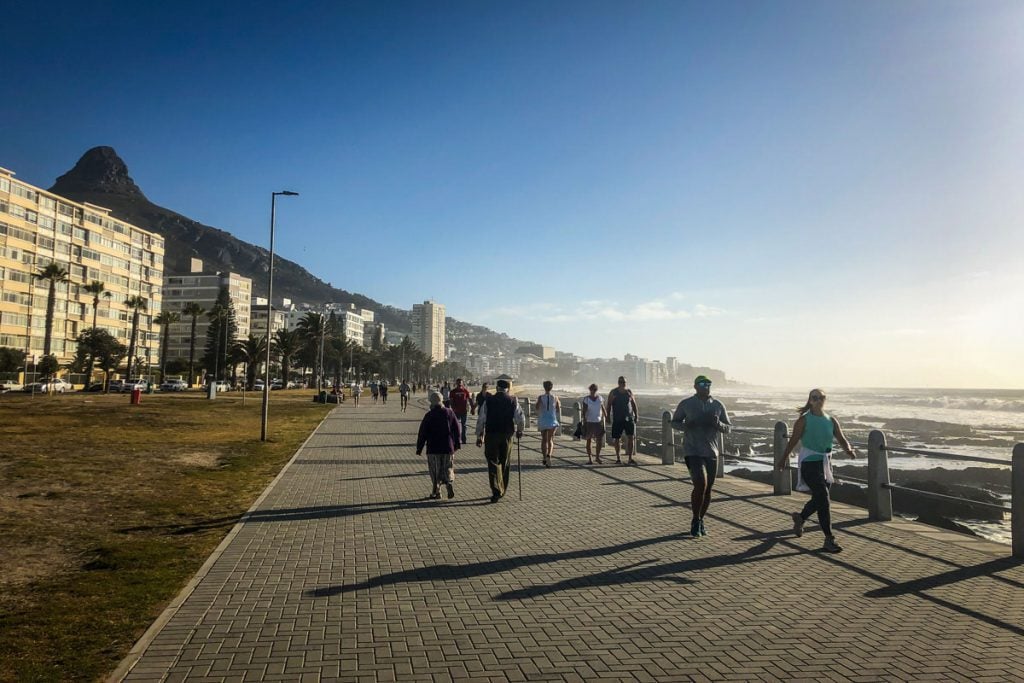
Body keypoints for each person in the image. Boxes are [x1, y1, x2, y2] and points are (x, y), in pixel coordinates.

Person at [776, 389, 858, 553]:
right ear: (810, 400)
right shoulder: (804, 420)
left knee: (819, 499)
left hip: (825, 464)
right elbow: (793, 441)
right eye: (815, 397)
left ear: (824, 399)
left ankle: (800, 517)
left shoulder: (831, 420)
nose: (818, 400)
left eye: (821, 397)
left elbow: (841, 439)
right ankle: (829, 539)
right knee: (824, 499)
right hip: (809, 463)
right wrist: (784, 458)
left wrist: (849, 450)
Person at [670, 375, 731, 537]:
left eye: (709, 384)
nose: (706, 386)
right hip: (692, 450)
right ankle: (696, 519)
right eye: (703, 384)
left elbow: (728, 428)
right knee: (700, 485)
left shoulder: (717, 405)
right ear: (695, 386)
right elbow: (674, 422)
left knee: (708, 489)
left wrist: (718, 424)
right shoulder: (686, 404)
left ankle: (700, 519)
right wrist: (685, 425)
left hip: (711, 452)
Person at [475, 379, 524, 503]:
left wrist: (479, 435)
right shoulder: (513, 400)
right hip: (507, 435)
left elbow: (481, 418)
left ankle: (496, 490)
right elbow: (520, 417)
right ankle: (503, 488)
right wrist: (520, 430)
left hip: (491, 434)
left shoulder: (488, 401)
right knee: (505, 462)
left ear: (497, 388)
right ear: (508, 389)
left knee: (493, 462)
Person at [416, 391, 461, 499]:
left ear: (431, 402)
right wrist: (457, 443)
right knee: (448, 467)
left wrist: (419, 447)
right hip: (448, 447)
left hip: (433, 448)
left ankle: (437, 492)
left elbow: (422, 432)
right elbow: (457, 428)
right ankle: (449, 482)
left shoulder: (429, 415)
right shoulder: (449, 412)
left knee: (435, 471)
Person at [607, 376, 639, 465]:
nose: (622, 383)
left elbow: (634, 404)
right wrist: (608, 417)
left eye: (624, 382)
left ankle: (630, 458)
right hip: (618, 418)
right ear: (618, 382)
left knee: (631, 437)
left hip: (629, 418)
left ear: (626, 383)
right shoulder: (613, 392)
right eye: (621, 382)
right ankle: (618, 458)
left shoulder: (629, 392)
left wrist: (636, 415)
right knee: (617, 438)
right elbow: (609, 405)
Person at [535, 380, 561, 467]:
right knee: (550, 440)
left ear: (544, 387)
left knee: (544, 440)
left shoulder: (540, 397)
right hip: (552, 421)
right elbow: (558, 409)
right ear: (551, 387)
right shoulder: (555, 397)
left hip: (543, 420)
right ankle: (549, 455)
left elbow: (537, 407)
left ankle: (544, 457)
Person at [581, 384, 607, 464]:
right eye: (592, 389)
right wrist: (584, 421)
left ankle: (597, 457)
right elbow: (584, 411)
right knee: (589, 440)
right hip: (589, 421)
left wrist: (606, 417)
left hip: (598, 421)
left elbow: (603, 409)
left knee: (599, 440)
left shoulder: (600, 398)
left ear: (596, 390)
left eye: (595, 389)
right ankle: (590, 458)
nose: (593, 391)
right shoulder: (586, 399)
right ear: (590, 390)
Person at [448, 378, 473, 444]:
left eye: (460, 383)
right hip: (456, 411)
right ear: (456, 383)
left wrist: (472, 407)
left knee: (464, 425)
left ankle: (463, 439)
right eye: (458, 383)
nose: (459, 384)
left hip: (464, 411)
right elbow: (451, 401)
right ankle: (456, 439)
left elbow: (469, 399)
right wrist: (453, 408)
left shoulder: (465, 391)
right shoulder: (453, 392)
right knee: (455, 425)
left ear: (462, 383)